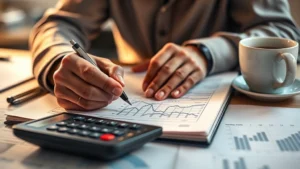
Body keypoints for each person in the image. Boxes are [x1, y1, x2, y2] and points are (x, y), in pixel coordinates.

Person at [30, 0, 300, 110]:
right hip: (127, 110)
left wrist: (207, 53)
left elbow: (282, 30)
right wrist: (59, 62)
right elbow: (58, 25)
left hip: (234, 109)